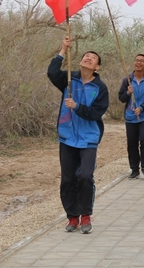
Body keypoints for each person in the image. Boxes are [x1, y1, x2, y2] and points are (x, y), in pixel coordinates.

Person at [47, 36, 109, 235]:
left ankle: (86, 215)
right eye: (86, 56)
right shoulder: (68, 80)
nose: (88, 58)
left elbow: (96, 113)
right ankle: (72, 217)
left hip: (89, 138)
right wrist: (63, 49)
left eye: (93, 57)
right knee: (67, 179)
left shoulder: (100, 88)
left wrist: (77, 107)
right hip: (67, 137)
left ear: (97, 67)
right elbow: (51, 72)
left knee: (84, 176)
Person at [118, 54, 144, 180]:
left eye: (142, 61)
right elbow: (121, 98)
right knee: (132, 143)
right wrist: (128, 93)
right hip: (130, 116)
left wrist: (142, 108)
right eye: (137, 61)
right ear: (134, 62)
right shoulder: (127, 80)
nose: (139, 63)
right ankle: (134, 169)